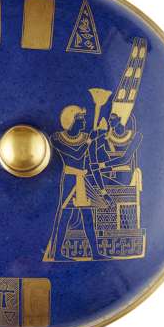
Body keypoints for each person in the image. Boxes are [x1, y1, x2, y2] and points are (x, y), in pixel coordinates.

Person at [43, 105, 112, 261]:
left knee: (87, 217)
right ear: (70, 121)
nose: (84, 122)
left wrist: (103, 191)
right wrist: (90, 140)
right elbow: (75, 155)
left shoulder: (86, 138)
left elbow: (93, 165)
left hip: (83, 180)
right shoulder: (57, 138)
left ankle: (95, 252)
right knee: (65, 216)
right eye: (80, 119)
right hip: (69, 180)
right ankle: (57, 253)